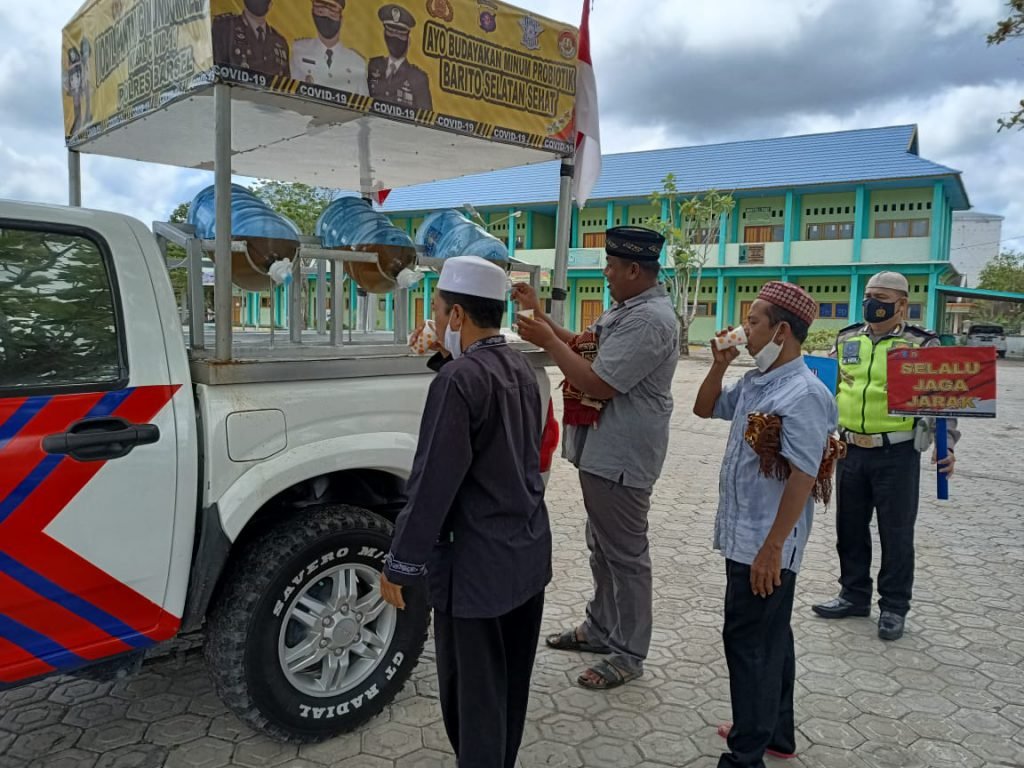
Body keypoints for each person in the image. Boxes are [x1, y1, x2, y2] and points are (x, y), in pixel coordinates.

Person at [380, 256, 551, 768]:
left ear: (456, 315)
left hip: (476, 569)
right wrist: (447, 361)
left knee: (472, 699)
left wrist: (400, 564)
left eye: (438, 311)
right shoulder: (520, 367)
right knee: (508, 687)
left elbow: (432, 485)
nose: (434, 320)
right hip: (524, 556)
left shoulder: (457, 381)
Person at [515, 226, 677, 690]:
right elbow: (585, 348)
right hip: (605, 450)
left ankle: (628, 653)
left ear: (634, 270)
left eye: (611, 266)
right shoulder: (628, 308)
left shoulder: (650, 320)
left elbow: (599, 382)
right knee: (602, 546)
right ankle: (601, 628)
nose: (606, 273)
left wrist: (548, 342)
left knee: (625, 555)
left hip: (622, 454)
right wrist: (541, 317)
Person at [693, 282, 838, 768]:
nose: (744, 330)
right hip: (744, 535)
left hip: (765, 543)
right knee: (771, 637)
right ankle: (776, 733)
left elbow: (803, 475)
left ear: (781, 331)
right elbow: (704, 408)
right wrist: (719, 364)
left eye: (753, 322)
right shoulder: (757, 382)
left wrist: (773, 547)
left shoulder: (804, 393)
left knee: (748, 643)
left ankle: (745, 754)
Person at [812, 271, 958, 641]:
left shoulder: (921, 344)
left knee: (896, 533)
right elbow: (828, 387)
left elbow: (944, 397)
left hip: (897, 452)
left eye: (881, 297)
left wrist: (948, 445)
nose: (871, 303)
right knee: (849, 528)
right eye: (868, 295)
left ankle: (893, 606)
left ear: (902, 304)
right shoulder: (848, 338)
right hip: (850, 450)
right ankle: (853, 595)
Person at [291, 0, 369, 93]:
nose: (326, 18)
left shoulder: (357, 62)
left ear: (341, 19)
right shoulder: (298, 50)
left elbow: (363, 100)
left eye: (332, 14)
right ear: (313, 15)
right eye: (320, 12)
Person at [367, 4, 433, 111]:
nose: (395, 38)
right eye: (391, 32)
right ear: (384, 35)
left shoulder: (418, 78)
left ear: (408, 40)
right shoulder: (374, 65)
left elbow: (426, 117)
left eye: (401, 34)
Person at [212, 0, 289, 76]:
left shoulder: (280, 43)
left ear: (270, 4)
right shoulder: (225, 27)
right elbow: (215, 72)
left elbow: (284, 82)